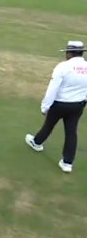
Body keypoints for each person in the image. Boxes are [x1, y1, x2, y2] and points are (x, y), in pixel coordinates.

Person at [25, 41, 87, 173]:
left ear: (70, 53)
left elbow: (53, 88)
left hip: (60, 103)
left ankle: (37, 143)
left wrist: (45, 106)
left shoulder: (63, 67)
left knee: (49, 124)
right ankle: (67, 163)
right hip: (78, 105)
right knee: (71, 132)